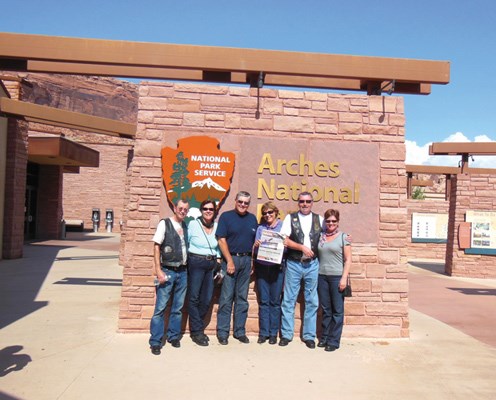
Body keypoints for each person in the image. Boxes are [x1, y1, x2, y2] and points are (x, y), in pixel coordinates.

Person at [279, 191, 322, 349]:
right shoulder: (290, 218)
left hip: (312, 264)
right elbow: (284, 239)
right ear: (298, 203)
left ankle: (309, 336)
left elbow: (329, 234)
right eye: (302, 201)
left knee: (311, 300)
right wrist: (301, 247)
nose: (305, 204)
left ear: (312, 202)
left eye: (308, 201)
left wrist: (345, 238)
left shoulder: (319, 219)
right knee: (289, 300)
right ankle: (286, 334)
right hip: (294, 263)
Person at [215, 191, 258, 345]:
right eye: (240, 201)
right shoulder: (226, 217)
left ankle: (239, 331)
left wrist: (252, 261)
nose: (243, 205)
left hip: (246, 261)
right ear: (235, 201)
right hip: (230, 260)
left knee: (242, 298)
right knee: (226, 298)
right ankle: (223, 332)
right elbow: (221, 240)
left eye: (246, 203)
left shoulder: (252, 219)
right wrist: (229, 261)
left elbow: (255, 243)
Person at [149, 199, 189, 355]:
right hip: (168, 270)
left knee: (177, 308)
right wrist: (158, 270)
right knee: (160, 308)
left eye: (185, 209)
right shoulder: (164, 224)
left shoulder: (184, 226)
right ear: (174, 208)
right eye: (180, 208)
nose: (183, 211)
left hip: (183, 271)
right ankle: (155, 341)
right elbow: (156, 246)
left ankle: (173, 336)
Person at [187, 200, 221, 347]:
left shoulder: (217, 227)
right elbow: (186, 243)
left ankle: (197, 327)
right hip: (196, 262)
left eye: (211, 209)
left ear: (215, 211)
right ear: (201, 210)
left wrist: (218, 258)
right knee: (193, 297)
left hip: (211, 264)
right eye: (205, 209)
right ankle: (196, 331)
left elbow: (219, 244)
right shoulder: (193, 224)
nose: (208, 211)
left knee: (207, 299)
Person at [317, 209, 351, 352]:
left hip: (337, 277)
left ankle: (334, 340)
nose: (331, 223)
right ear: (325, 222)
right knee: (326, 310)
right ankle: (324, 337)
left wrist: (344, 278)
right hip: (322, 276)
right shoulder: (321, 237)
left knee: (337, 311)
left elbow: (348, 259)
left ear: (338, 222)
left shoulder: (343, 237)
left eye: (334, 221)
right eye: (328, 221)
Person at [253, 202, 285, 345]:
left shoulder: (283, 227)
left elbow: (288, 247)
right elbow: (254, 249)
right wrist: (256, 246)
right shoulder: (261, 228)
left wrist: (284, 245)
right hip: (262, 267)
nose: (267, 215)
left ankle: (273, 334)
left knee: (275, 301)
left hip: (277, 268)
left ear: (276, 212)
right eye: (265, 213)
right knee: (264, 301)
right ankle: (264, 333)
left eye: (270, 212)